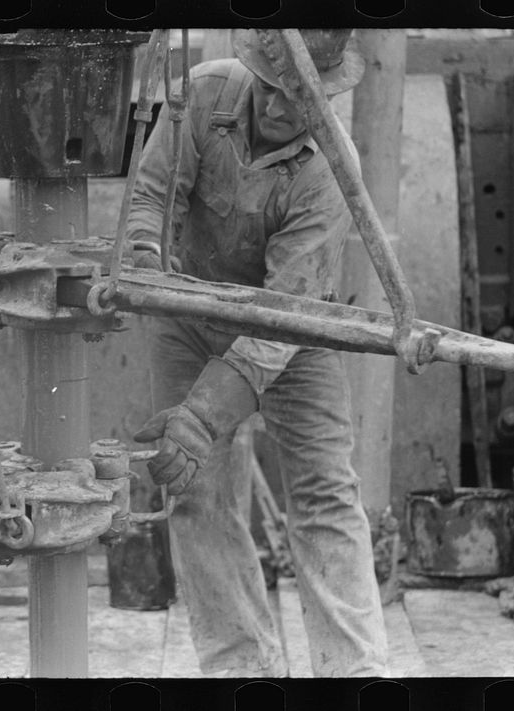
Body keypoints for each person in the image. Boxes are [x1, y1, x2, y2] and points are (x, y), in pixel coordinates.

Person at [129, 29, 389, 677]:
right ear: (255, 68)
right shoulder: (202, 93)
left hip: (295, 328)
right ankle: (240, 667)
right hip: (192, 312)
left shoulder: (334, 168)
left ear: (327, 90)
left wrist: (203, 415)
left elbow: (279, 319)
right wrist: (139, 265)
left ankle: (353, 668)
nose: (277, 108)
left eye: (297, 97)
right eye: (271, 89)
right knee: (197, 489)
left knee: (326, 494)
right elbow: (151, 197)